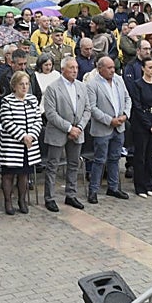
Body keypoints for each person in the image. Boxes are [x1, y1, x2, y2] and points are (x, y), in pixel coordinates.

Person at [42, 56, 92, 212]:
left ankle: (71, 194)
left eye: (76, 68)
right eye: (71, 68)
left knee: (74, 164)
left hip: (78, 131)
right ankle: (49, 198)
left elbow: (87, 109)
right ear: (63, 69)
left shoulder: (81, 86)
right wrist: (69, 128)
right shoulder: (52, 88)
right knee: (53, 166)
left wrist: (79, 127)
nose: (75, 71)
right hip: (59, 132)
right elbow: (50, 114)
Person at [0, 70, 43, 215]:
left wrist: (32, 136)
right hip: (12, 146)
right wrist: (23, 136)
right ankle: (8, 202)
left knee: (24, 174)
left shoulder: (32, 100)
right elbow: (7, 122)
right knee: (9, 175)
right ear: (14, 86)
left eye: (27, 84)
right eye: (21, 84)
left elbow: (38, 120)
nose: (24, 87)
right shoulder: (7, 101)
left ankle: (22, 200)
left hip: (29, 146)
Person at [86, 56, 131, 203]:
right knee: (99, 160)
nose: (113, 70)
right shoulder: (92, 84)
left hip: (119, 127)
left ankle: (113, 187)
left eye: (113, 67)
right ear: (100, 69)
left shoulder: (119, 80)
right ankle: (93, 190)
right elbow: (92, 108)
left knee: (115, 158)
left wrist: (125, 115)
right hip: (103, 128)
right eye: (109, 68)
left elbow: (127, 98)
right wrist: (109, 120)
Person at [127, 56, 152, 199]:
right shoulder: (137, 85)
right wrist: (149, 125)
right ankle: (140, 186)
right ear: (143, 68)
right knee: (140, 156)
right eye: (150, 67)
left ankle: (149, 185)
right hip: (141, 124)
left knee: (151, 155)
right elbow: (137, 106)